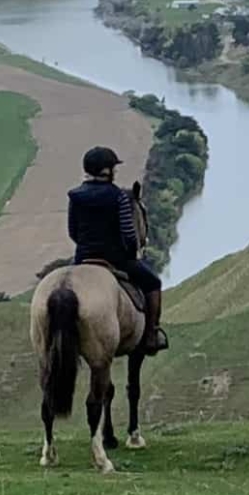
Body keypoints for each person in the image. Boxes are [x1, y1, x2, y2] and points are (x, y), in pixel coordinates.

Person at [68, 146, 167, 355]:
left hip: (83, 258)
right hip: (116, 259)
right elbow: (129, 235)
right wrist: (131, 252)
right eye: (113, 168)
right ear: (107, 171)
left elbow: (73, 232)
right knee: (153, 283)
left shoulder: (75, 196)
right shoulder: (119, 197)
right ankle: (151, 334)